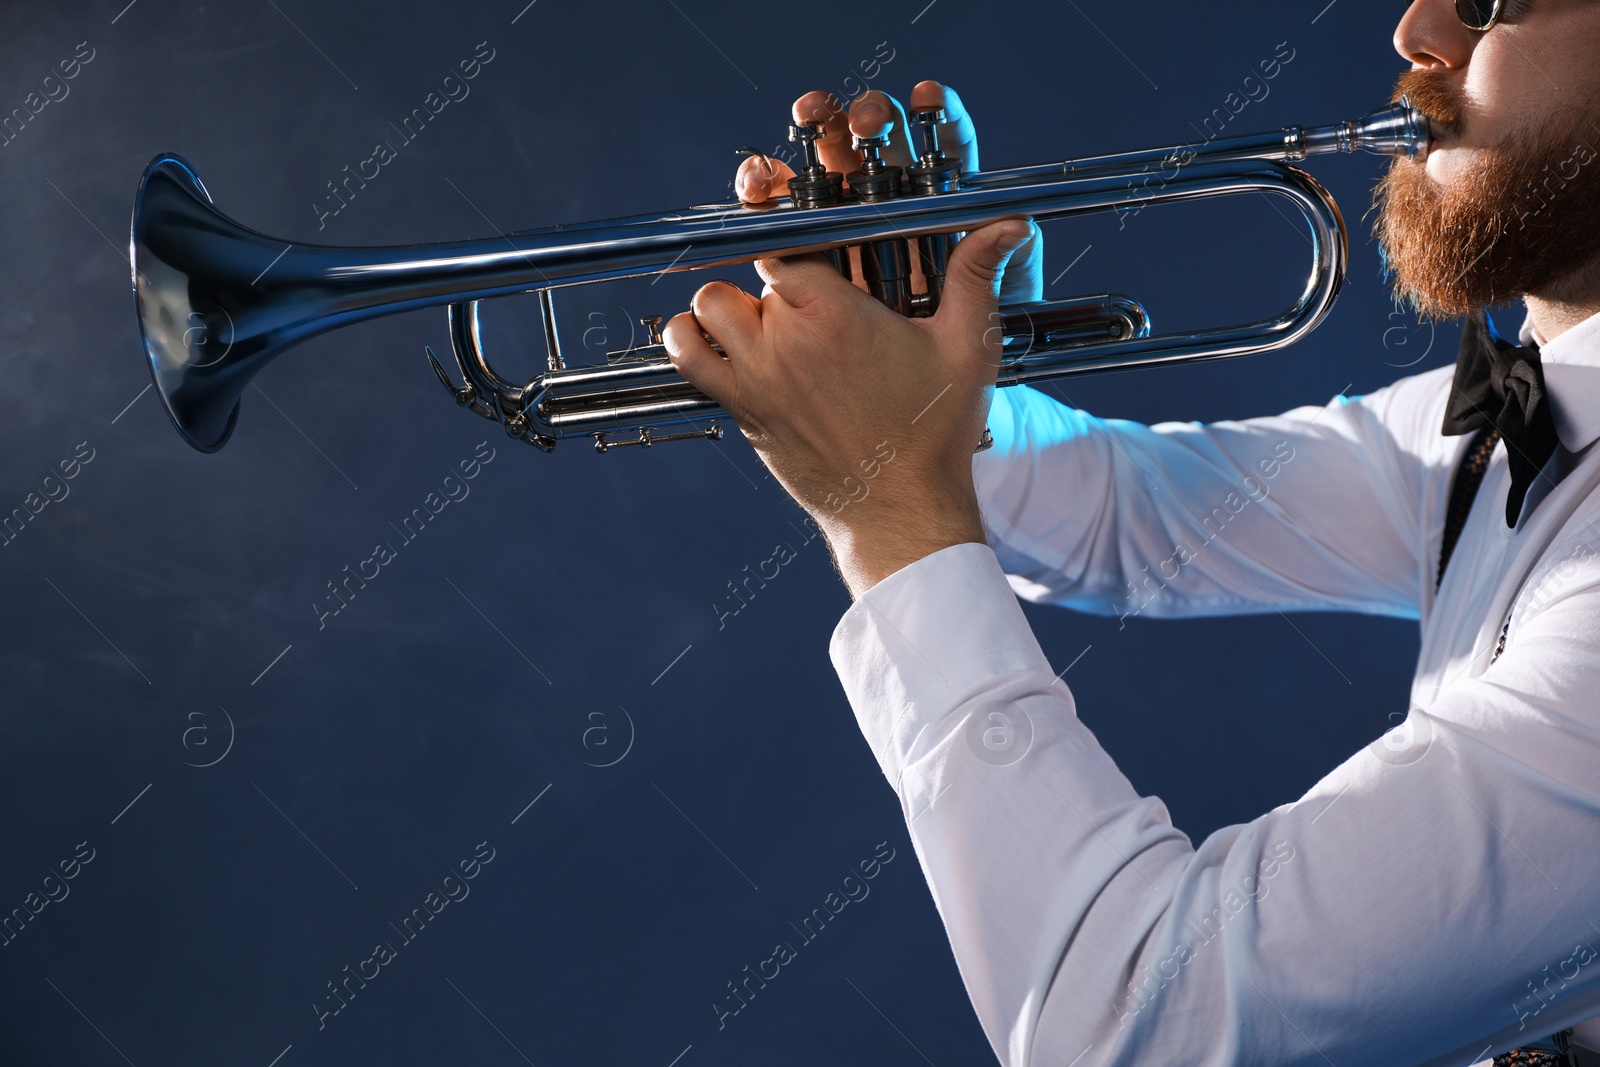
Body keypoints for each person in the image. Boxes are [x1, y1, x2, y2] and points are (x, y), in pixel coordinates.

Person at [660, 0, 1600, 1061]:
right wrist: (939, 382)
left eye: (1493, 1)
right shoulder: (1516, 415)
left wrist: (885, 510)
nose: (1416, 28)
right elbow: (1132, 520)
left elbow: (1140, 1016)